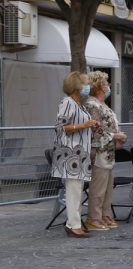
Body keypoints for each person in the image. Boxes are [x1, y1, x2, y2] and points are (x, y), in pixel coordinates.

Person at [51, 72, 98, 238]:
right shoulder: (67, 102)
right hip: (71, 154)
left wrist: (90, 125)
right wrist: (84, 124)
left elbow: (77, 126)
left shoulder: (81, 105)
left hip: (79, 153)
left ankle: (75, 223)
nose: (88, 87)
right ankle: (73, 224)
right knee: (73, 190)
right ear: (77, 86)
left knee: (77, 189)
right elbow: (61, 127)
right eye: (85, 84)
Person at [83, 71, 127, 231]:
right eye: (105, 84)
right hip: (98, 151)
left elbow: (109, 125)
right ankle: (93, 218)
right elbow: (96, 130)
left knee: (108, 187)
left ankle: (105, 214)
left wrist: (119, 135)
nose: (108, 86)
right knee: (98, 187)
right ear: (99, 87)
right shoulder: (91, 105)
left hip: (108, 151)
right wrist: (116, 135)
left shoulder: (103, 105)